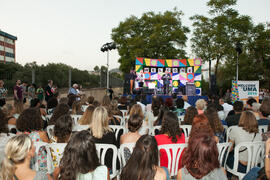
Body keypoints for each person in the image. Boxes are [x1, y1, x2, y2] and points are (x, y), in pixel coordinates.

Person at [227, 111, 262, 175]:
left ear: (241, 119)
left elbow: (229, 149)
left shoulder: (235, 129)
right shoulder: (258, 131)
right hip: (256, 165)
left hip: (241, 166)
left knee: (226, 158)